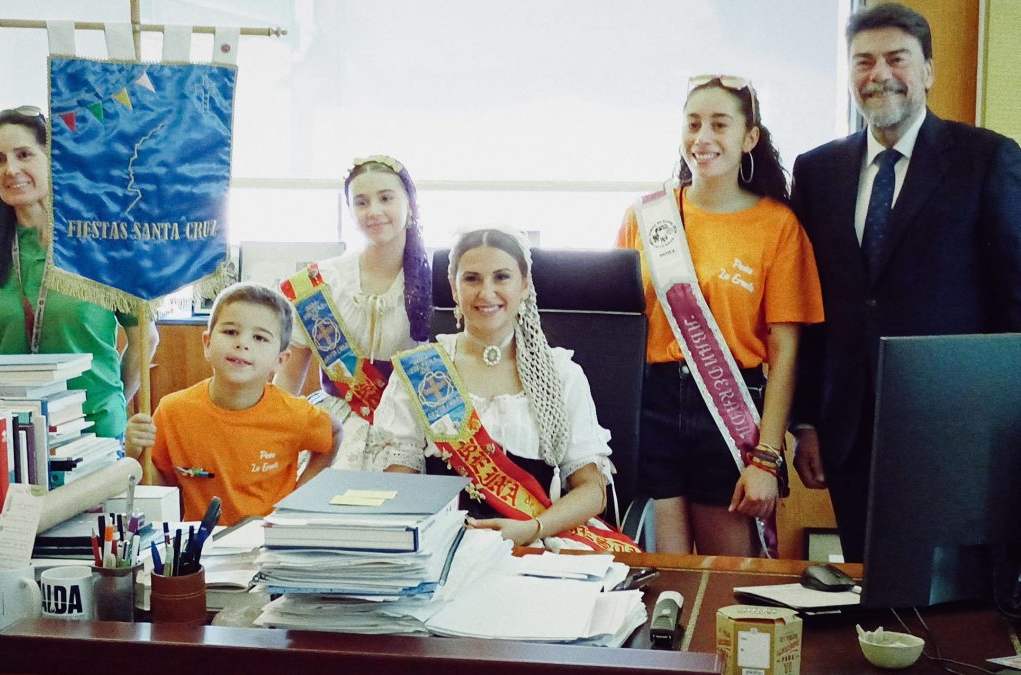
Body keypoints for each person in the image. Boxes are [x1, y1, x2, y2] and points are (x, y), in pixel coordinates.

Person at [790, 3, 1021, 562]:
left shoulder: (987, 158)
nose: (879, 74)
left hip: (955, 429)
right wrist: (806, 422)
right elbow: (810, 306)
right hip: (848, 430)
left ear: (928, 71)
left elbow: (1014, 302)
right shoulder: (817, 170)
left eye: (897, 58)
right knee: (867, 589)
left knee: (956, 605)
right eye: (863, 61)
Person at [617, 76, 823, 556]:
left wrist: (768, 458)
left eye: (719, 124)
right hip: (652, 407)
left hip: (731, 413)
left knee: (727, 582)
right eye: (692, 124)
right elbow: (620, 327)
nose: (702, 138)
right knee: (658, 578)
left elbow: (786, 350)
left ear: (749, 137)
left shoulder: (778, 225)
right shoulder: (645, 217)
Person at [369, 228, 637, 552]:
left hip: (540, 543)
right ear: (453, 288)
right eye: (471, 279)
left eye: (501, 277)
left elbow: (593, 490)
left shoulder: (561, 374)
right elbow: (399, 481)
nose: (487, 292)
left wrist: (533, 528)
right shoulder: (421, 373)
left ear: (524, 285)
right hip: (446, 548)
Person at [0, 106, 158, 439]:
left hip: (94, 428)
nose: (11, 169)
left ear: (53, 158)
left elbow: (144, 338)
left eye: (24, 154)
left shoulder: (103, 244)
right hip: (13, 433)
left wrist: (111, 395)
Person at [124, 282, 342, 526]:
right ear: (207, 343)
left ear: (280, 360)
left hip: (268, 545)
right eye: (230, 332)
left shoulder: (292, 413)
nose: (242, 343)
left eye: (259, 337)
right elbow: (163, 491)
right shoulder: (172, 411)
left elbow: (333, 433)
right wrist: (134, 454)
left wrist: (297, 500)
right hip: (201, 551)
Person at [275, 155, 430, 471]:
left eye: (386, 198)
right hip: (337, 421)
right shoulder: (322, 282)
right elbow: (291, 374)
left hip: (414, 427)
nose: (373, 211)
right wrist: (264, 429)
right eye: (361, 202)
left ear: (410, 204)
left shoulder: (440, 278)